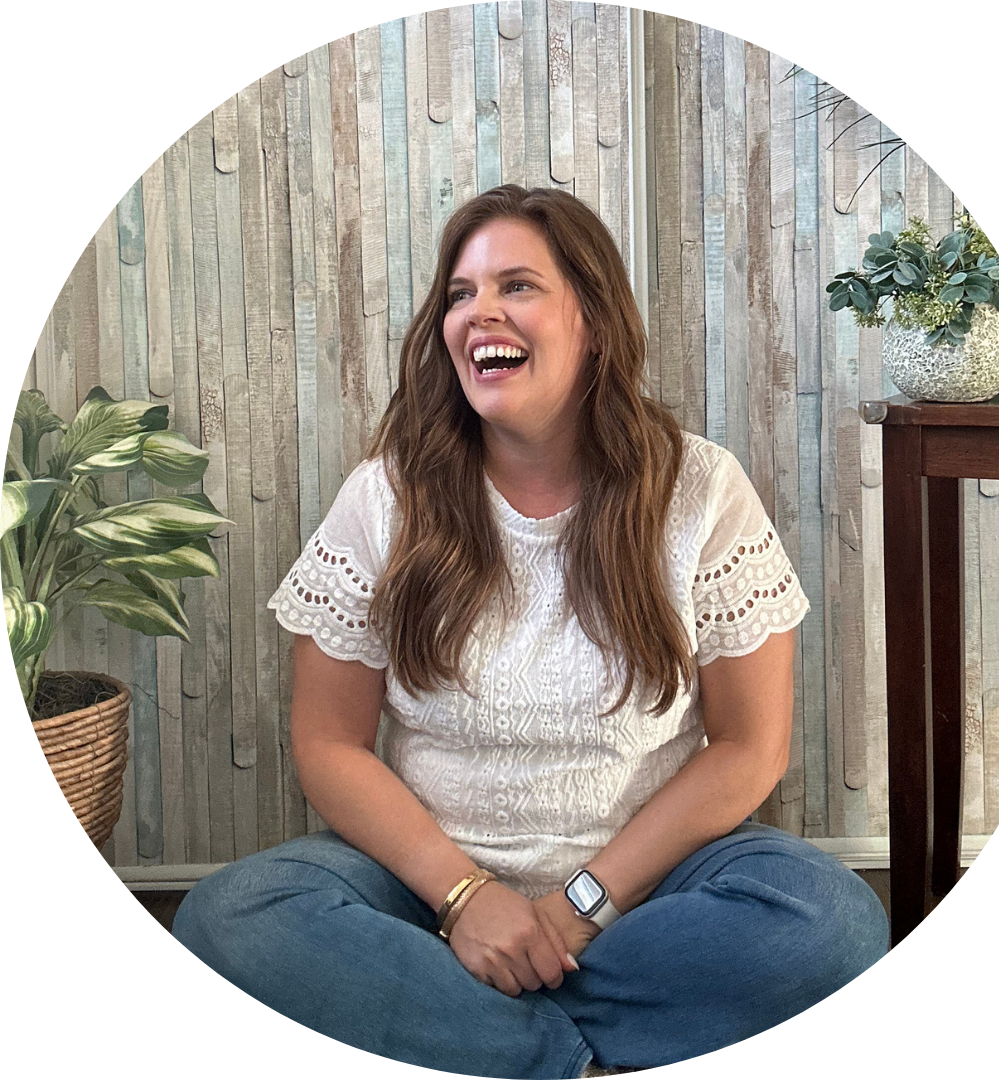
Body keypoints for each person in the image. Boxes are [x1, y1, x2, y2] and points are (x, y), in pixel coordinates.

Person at [173, 184, 888, 1078]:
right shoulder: (385, 496)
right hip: (424, 894)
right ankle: (576, 1050)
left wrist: (579, 907)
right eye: (460, 293)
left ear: (593, 319)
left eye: (517, 285)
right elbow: (328, 744)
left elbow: (750, 748)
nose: (479, 313)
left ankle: (474, 1035)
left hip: (651, 892)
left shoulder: (701, 489)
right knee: (230, 918)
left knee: (831, 920)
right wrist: (466, 897)